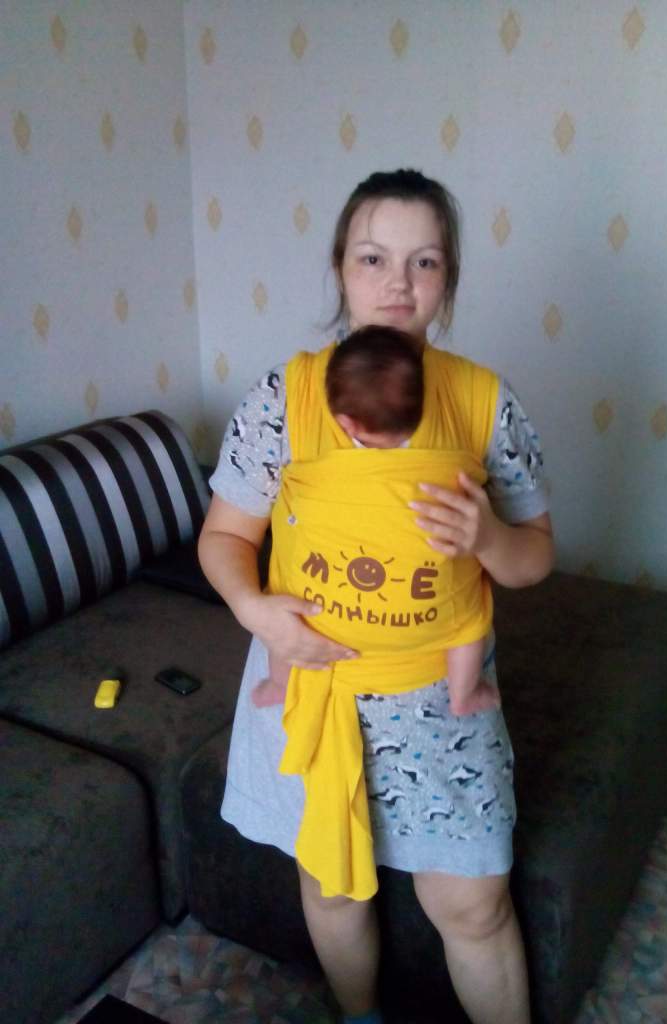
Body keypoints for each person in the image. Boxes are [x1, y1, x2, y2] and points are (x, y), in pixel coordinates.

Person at [199, 168, 554, 1024]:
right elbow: (224, 540)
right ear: (340, 269)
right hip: (314, 693)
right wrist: (254, 609)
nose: (398, 282)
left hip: (438, 700)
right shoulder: (284, 399)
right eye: (373, 257)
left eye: (424, 261)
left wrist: (487, 538)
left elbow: (534, 557)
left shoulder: (484, 402)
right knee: (332, 883)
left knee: (474, 904)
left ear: (448, 279)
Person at [251, 323, 501, 718]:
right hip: (434, 616)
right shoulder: (449, 461)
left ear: (345, 423)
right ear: (420, 412)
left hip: (313, 619)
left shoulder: (310, 440)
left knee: (282, 605)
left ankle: (280, 683)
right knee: (469, 623)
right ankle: (464, 693)